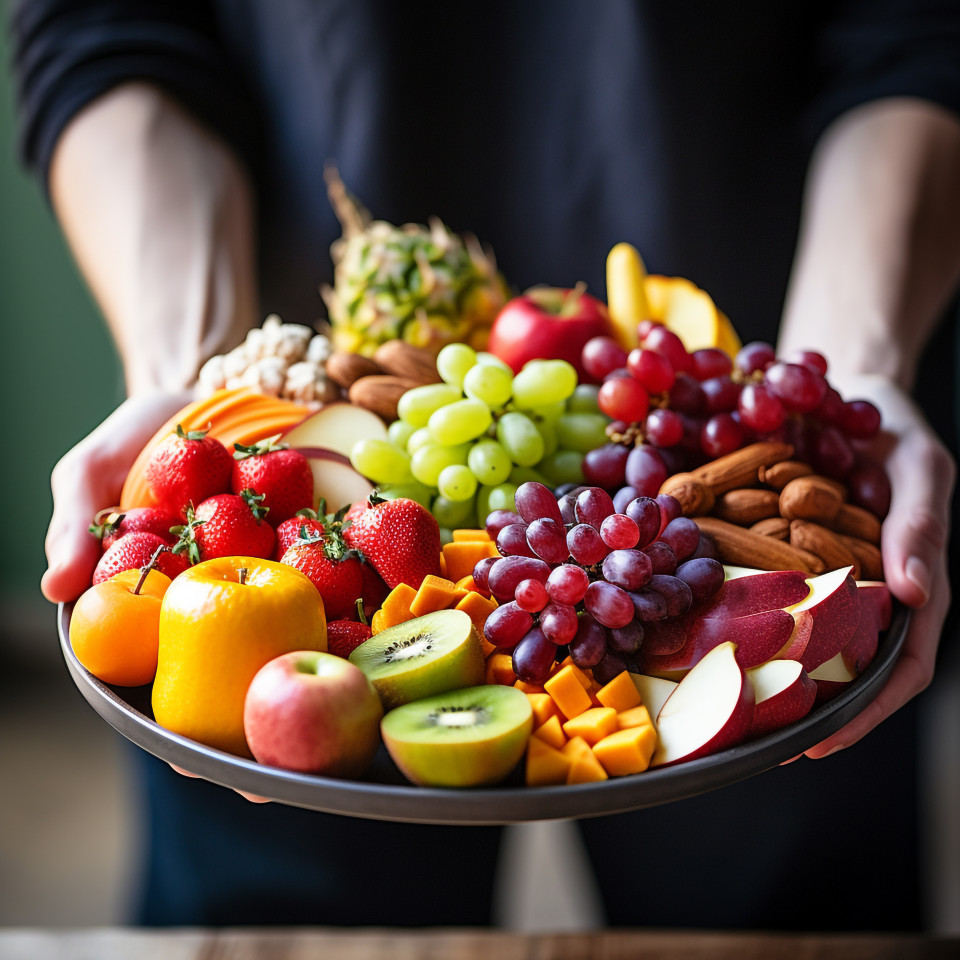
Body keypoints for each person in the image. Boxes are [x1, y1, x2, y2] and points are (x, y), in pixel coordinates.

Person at [13, 0, 960, 930]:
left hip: (729, 402)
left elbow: (914, 28)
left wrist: (851, 377)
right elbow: (109, 24)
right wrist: (195, 380)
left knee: (776, 917)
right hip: (288, 457)